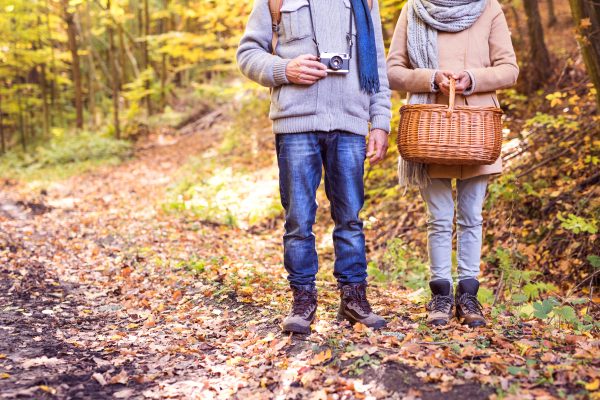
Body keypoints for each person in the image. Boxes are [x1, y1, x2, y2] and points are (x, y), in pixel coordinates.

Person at [237, 0, 392, 333]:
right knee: (298, 219)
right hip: (296, 123)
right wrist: (285, 69)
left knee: (350, 218)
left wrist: (380, 122)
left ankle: (354, 300)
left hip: (351, 124)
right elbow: (248, 54)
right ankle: (302, 301)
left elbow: (376, 64)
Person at [387, 0, 518, 327]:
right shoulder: (414, 8)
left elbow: (509, 68)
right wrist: (431, 78)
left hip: (477, 129)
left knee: (472, 214)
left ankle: (469, 295)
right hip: (430, 127)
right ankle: (441, 295)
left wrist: (471, 79)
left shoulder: (489, 8)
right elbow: (391, 71)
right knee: (440, 217)